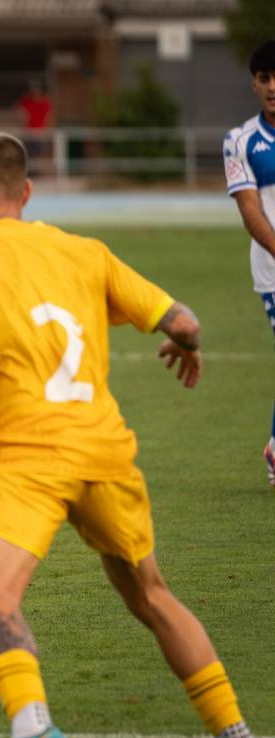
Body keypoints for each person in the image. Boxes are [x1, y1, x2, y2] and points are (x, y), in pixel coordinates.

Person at [0, 132, 265, 738]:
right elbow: (184, 321)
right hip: (107, 449)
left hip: (32, 453)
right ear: (27, 193)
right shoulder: (84, 252)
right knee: (150, 593)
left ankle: (33, 730)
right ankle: (237, 737)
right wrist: (188, 348)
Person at [224, 39, 275, 487]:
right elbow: (250, 210)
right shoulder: (240, 141)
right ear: (255, 84)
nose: (274, 86)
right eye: (265, 79)